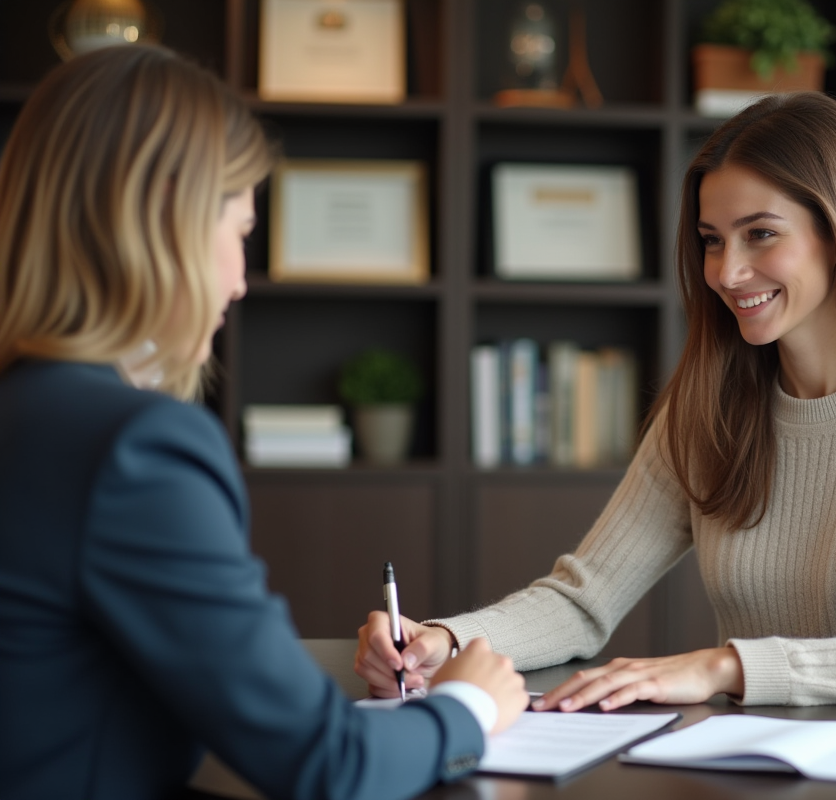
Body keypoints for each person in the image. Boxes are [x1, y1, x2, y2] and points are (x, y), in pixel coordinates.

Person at [356, 91, 836, 713]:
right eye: (711, 239)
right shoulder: (710, 405)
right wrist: (441, 640)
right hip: (744, 763)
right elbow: (583, 602)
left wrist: (726, 667)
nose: (726, 272)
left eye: (761, 233)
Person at [0, 45, 526, 800]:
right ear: (167, 216)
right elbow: (326, 763)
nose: (241, 282)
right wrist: (469, 706)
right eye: (240, 230)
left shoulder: (28, 413)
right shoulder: (132, 449)